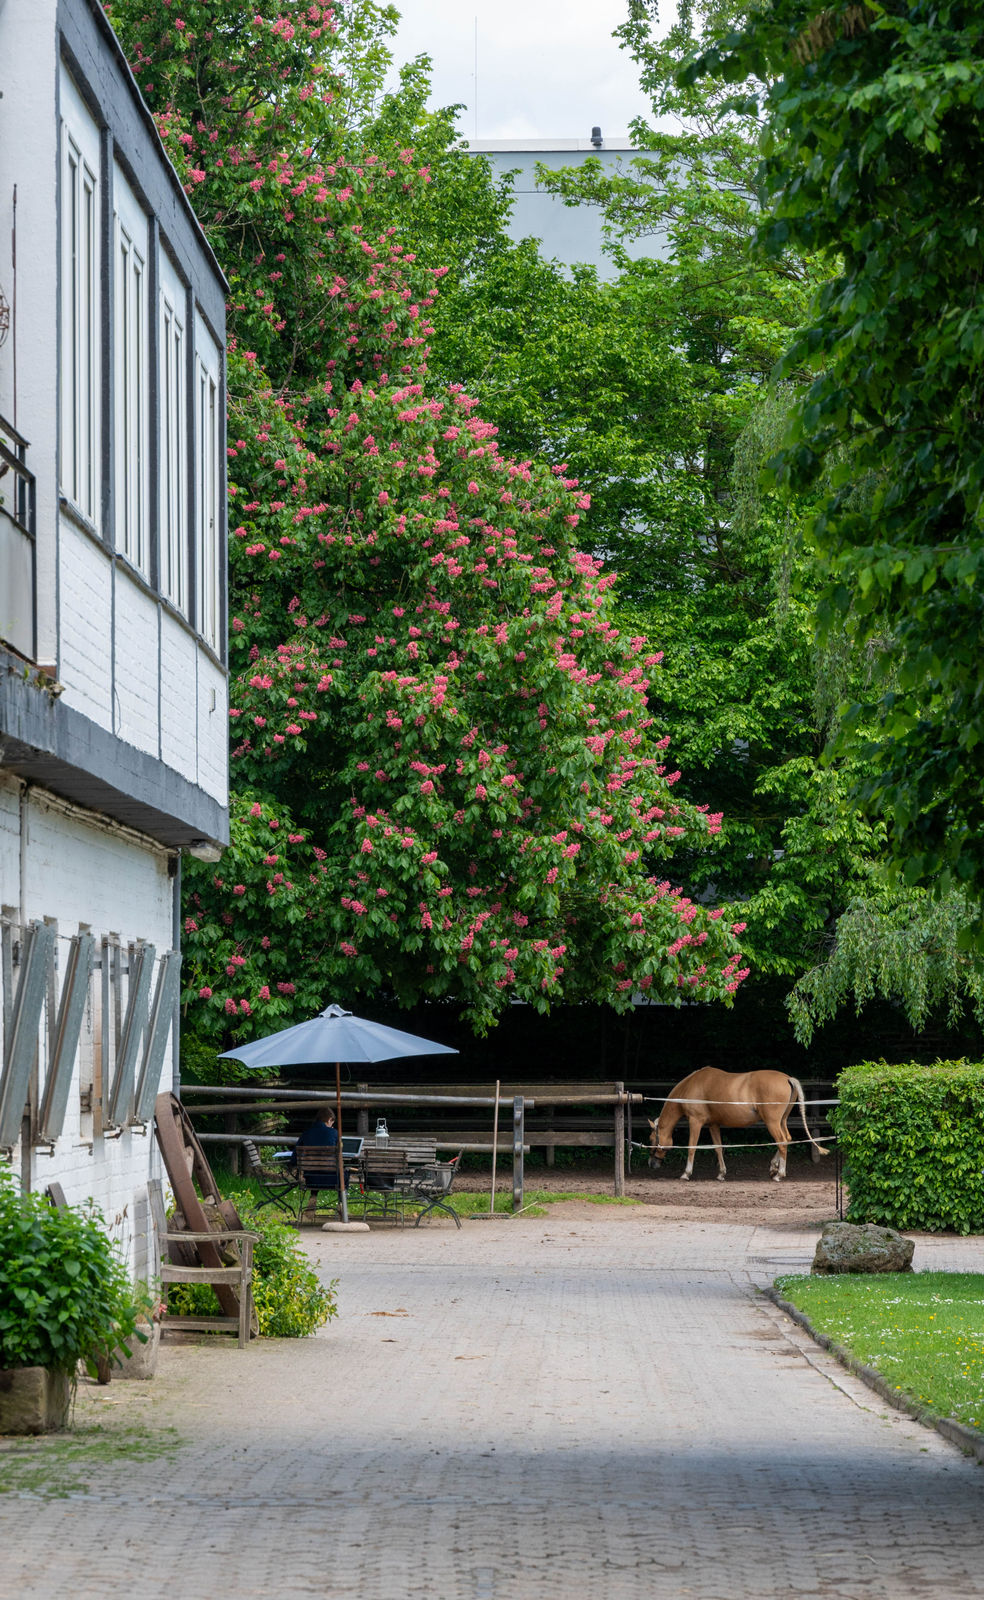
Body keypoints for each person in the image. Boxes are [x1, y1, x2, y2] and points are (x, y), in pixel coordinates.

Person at [289, 1108, 346, 1189]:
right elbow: (339, 1153)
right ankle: (342, 1200)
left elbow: (294, 1158)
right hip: (332, 1178)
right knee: (344, 1174)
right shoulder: (334, 1133)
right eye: (332, 1123)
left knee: (316, 1172)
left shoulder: (306, 1133)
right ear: (329, 1119)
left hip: (310, 1178)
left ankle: (314, 1195)